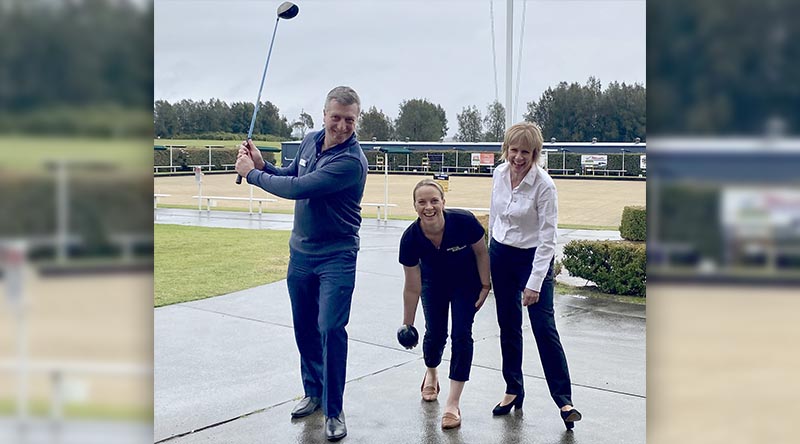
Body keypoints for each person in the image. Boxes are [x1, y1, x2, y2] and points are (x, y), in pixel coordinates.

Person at [235, 86, 367, 442]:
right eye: (336, 117)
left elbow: (297, 188)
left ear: (357, 121)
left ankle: (335, 410)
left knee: (330, 329)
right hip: (301, 254)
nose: (341, 125)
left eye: (349, 120)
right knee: (305, 327)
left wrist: (251, 174)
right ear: (324, 114)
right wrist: (263, 164)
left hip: (337, 256)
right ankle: (313, 392)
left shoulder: (352, 161)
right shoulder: (310, 140)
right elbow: (291, 172)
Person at [488, 122, 582, 429]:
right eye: (513, 150)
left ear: (535, 154)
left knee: (544, 328)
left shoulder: (544, 186)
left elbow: (548, 240)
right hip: (501, 254)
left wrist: (534, 283)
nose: (517, 157)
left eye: (525, 152)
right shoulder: (499, 174)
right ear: (506, 149)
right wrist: (492, 253)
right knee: (509, 326)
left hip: (533, 259)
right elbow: (495, 217)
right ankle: (513, 388)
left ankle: (564, 400)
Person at [398, 179, 491, 430]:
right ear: (415, 206)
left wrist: (485, 286)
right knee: (436, 334)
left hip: (466, 284)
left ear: (443, 202)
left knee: (461, 335)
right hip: (433, 285)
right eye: (422, 202)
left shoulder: (464, 221)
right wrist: (407, 323)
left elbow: (482, 252)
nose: (429, 207)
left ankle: (452, 402)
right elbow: (412, 285)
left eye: (434, 201)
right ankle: (432, 372)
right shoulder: (410, 239)